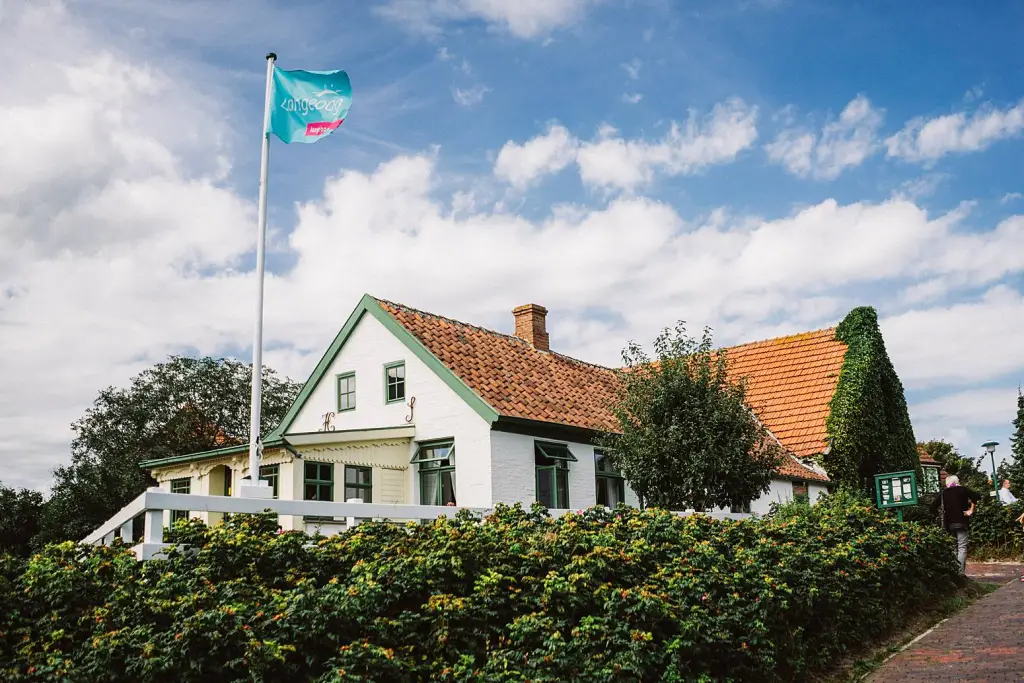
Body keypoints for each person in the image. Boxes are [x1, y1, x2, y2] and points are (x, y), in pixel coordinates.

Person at [930, 475, 981, 576]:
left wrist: (938, 515)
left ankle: (954, 572)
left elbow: (932, 507)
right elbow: (977, 496)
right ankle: (960, 573)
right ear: (957, 481)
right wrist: (971, 509)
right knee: (962, 547)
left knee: (953, 547)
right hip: (962, 522)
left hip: (949, 524)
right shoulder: (963, 490)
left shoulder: (944, 493)